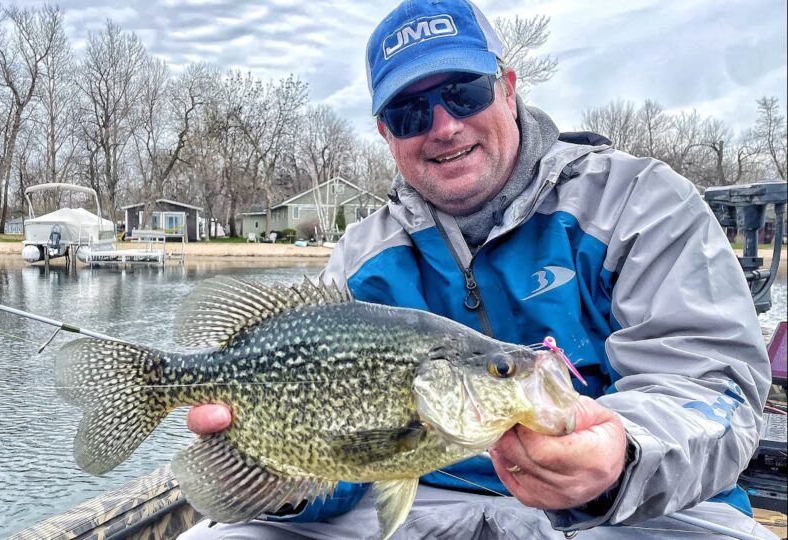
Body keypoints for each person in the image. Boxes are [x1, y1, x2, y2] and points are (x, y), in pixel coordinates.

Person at [180, 0, 775, 538]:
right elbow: (349, 470)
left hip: (631, 507)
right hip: (422, 504)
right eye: (411, 113)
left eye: (464, 92)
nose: (443, 125)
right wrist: (276, 477)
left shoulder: (639, 202)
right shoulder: (362, 255)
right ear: (387, 134)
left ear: (509, 89)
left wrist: (623, 454)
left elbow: (712, 385)